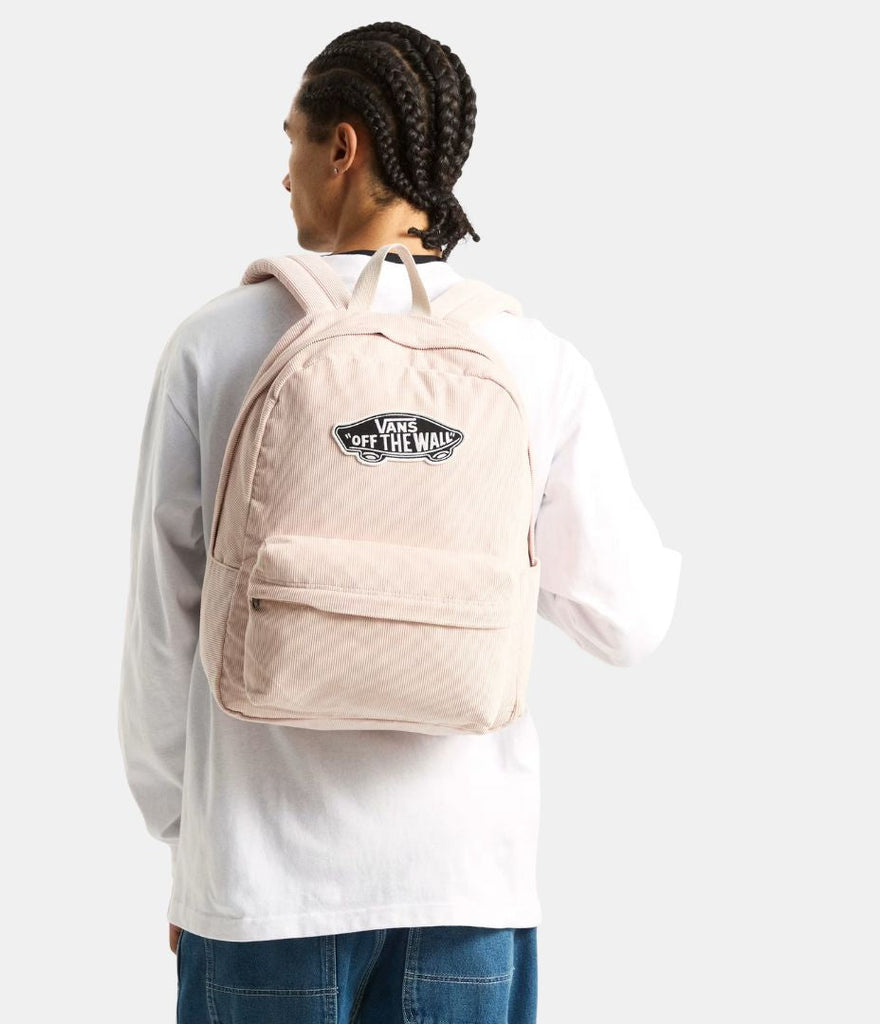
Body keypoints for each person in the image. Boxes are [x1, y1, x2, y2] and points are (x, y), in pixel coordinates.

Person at [117, 20, 681, 1024]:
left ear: (343, 148)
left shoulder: (212, 344)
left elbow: (164, 629)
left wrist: (184, 842)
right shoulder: (533, 360)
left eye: (292, 142)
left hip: (258, 885)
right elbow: (628, 620)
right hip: (466, 888)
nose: (283, 174)